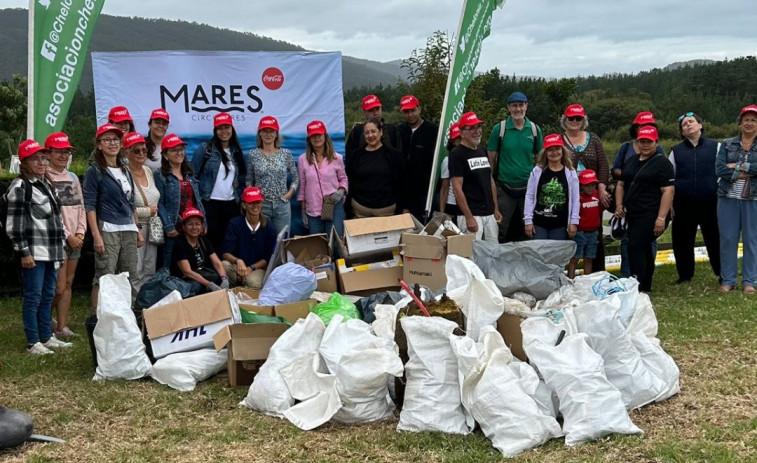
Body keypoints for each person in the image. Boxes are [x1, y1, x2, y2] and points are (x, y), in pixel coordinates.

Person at [6, 140, 70, 354]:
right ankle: (33, 342)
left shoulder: (47, 183)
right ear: (24, 162)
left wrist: (60, 249)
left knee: (48, 295)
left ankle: (46, 336)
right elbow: (14, 225)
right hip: (34, 252)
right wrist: (24, 252)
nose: (41, 162)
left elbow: (56, 221)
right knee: (33, 297)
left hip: (52, 252)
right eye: (35, 158)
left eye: (43, 157)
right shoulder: (20, 186)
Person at [82, 124, 143, 312]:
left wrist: (138, 230)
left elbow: (131, 203)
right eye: (107, 140)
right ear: (99, 145)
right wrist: (96, 235)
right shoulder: (94, 171)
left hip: (129, 229)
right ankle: (97, 316)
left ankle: (128, 315)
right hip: (107, 228)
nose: (112, 143)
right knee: (104, 274)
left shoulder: (126, 170)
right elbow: (90, 205)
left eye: (115, 139)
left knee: (130, 274)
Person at [615, 126, 675, 293]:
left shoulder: (663, 163)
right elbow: (621, 183)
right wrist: (619, 204)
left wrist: (661, 218)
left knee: (634, 246)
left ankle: (637, 285)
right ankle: (645, 286)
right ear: (637, 142)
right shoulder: (631, 161)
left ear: (656, 142)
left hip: (652, 213)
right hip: (633, 212)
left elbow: (668, 191)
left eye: (649, 141)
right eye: (642, 141)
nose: (646, 145)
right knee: (645, 247)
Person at [669, 112, 721, 285]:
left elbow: (722, 173)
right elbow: (670, 178)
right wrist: (671, 202)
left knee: (715, 239)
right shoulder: (675, 151)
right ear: (682, 132)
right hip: (684, 203)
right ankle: (685, 275)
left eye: (691, 122)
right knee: (682, 240)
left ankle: (722, 274)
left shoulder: (716, 146)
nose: (688, 125)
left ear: (700, 125)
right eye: (684, 124)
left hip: (711, 202)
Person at [611, 111, 664, 277]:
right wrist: (631, 174)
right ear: (635, 128)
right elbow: (615, 170)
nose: (645, 128)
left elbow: (664, 175)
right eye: (642, 126)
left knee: (649, 239)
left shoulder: (659, 149)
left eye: (649, 126)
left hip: (650, 201)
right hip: (628, 198)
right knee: (627, 237)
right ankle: (627, 275)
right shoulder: (625, 147)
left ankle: (646, 276)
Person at [44, 132, 86, 339]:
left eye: (66, 152)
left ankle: (62, 326)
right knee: (58, 287)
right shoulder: (45, 177)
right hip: (57, 240)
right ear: (49, 153)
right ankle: (42, 320)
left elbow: (81, 207)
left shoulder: (73, 177)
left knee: (68, 284)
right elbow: (51, 213)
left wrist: (80, 232)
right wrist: (68, 235)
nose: (63, 156)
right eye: (59, 151)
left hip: (75, 240)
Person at [487, 91, 544, 243]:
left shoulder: (534, 129)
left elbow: (541, 159)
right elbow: (491, 160)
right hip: (505, 188)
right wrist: (490, 185)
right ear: (508, 108)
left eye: (521, 105)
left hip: (527, 188)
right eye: (514, 106)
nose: (518, 109)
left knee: (529, 228)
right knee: (501, 228)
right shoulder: (499, 129)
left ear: (526, 106)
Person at [561, 103, 610, 271]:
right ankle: (568, 275)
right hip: (569, 193)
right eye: (571, 118)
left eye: (578, 118)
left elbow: (603, 165)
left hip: (592, 191)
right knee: (570, 233)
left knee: (595, 232)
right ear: (564, 120)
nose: (574, 121)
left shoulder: (594, 139)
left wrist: (602, 187)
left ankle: (597, 273)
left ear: (584, 121)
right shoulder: (559, 140)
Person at [191, 112, 247, 252]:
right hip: (210, 203)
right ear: (215, 131)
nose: (224, 131)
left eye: (227, 127)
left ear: (232, 129)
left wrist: (241, 198)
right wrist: (196, 203)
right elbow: (192, 176)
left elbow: (242, 178)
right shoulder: (205, 149)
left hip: (231, 205)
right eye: (220, 128)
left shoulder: (237, 151)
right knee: (212, 241)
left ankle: (228, 270)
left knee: (230, 242)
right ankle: (214, 271)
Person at [716, 104, 757, 294]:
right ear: (740, 123)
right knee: (728, 239)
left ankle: (750, 281)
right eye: (746, 120)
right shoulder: (727, 144)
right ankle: (728, 280)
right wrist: (750, 170)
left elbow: (729, 169)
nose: (749, 123)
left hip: (753, 200)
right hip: (728, 198)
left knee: (752, 240)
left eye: (753, 120)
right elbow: (720, 169)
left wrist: (738, 166)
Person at [449, 111, 502, 242]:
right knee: (472, 256)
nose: (477, 131)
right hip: (472, 215)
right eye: (471, 128)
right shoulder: (457, 154)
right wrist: (469, 217)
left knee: (493, 253)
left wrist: (495, 208)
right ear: (462, 132)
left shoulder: (482, 150)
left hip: (489, 213)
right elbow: (457, 188)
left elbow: (490, 181)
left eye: (478, 127)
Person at [155, 133, 205, 268]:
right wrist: (168, 226)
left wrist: (203, 222)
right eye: (174, 150)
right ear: (165, 155)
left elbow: (197, 200)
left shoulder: (190, 174)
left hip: (191, 226)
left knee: (192, 263)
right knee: (169, 263)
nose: (179, 153)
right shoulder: (160, 175)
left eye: (181, 149)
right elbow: (159, 202)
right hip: (174, 227)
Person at [245, 115, 298, 235]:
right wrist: (253, 200)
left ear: (276, 134)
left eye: (271, 131)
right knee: (261, 238)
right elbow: (249, 180)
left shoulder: (286, 154)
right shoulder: (253, 155)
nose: (268, 134)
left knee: (283, 239)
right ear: (260, 134)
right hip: (261, 205)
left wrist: (289, 194)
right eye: (265, 131)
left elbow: (295, 178)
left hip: (282, 205)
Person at [345, 118, 406, 218]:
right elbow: (349, 180)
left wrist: (404, 206)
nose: (370, 135)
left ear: (381, 132)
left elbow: (403, 183)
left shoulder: (394, 156)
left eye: (373, 131)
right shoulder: (355, 156)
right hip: (360, 211)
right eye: (367, 132)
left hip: (387, 212)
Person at [524, 134, 580, 241]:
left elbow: (575, 198)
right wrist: (528, 221)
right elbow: (530, 196)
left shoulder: (570, 173)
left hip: (560, 224)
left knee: (557, 255)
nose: (554, 153)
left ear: (562, 150)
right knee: (539, 254)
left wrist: (574, 221)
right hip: (539, 223)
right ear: (545, 153)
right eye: (550, 150)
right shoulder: (537, 172)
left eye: (557, 149)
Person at [297, 120, 348, 236]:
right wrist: (303, 210)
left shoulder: (337, 158)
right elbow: (302, 186)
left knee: (335, 242)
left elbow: (343, 179)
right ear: (309, 139)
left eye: (319, 134)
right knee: (318, 244)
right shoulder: (302, 160)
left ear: (325, 136)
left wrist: (341, 191)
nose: (316, 138)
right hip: (313, 209)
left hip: (334, 206)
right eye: (313, 135)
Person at [221, 187, 278, 289]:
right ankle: (234, 287)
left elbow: (270, 257)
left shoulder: (269, 226)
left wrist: (251, 268)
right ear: (244, 205)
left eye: (258, 202)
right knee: (224, 265)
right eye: (251, 202)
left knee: (253, 283)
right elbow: (225, 253)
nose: (255, 206)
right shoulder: (235, 223)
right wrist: (238, 261)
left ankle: (245, 287)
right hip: (238, 267)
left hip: (258, 268)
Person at [125, 132, 161, 293]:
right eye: (136, 151)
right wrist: (147, 211)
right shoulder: (123, 173)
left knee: (149, 268)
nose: (141, 154)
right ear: (127, 152)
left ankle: (146, 302)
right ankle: (134, 305)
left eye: (144, 151)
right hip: (135, 227)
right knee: (136, 270)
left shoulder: (147, 170)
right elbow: (124, 207)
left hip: (152, 228)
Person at [397, 95, 439, 221]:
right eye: (406, 111)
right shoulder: (399, 130)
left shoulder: (432, 130)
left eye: (412, 110)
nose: (410, 114)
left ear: (419, 109)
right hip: (402, 191)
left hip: (424, 192)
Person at [170, 208, 229, 295]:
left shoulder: (203, 240)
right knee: (196, 286)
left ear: (202, 227)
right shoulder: (180, 243)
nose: (194, 227)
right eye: (190, 224)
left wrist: (224, 279)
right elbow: (187, 271)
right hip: (185, 279)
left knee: (219, 279)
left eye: (197, 224)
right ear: (184, 227)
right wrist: (209, 284)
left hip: (201, 275)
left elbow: (217, 263)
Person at [568, 170, 603, 279]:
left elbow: (602, 209)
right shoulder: (578, 197)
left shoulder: (598, 195)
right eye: (587, 185)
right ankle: (571, 281)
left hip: (593, 232)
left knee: (589, 258)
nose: (590, 188)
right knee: (575, 258)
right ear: (581, 185)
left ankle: (586, 281)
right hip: (579, 232)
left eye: (593, 185)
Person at [440, 123, 462, 217]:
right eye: (458, 139)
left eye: (461, 137)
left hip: (471, 204)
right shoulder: (447, 161)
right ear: (452, 141)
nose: (460, 141)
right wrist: (442, 213)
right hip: (453, 205)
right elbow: (445, 188)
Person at [144, 108, 170, 172]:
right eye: (157, 122)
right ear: (150, 125)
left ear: (167, 127)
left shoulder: (172, 146)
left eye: (164, 124)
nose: (160, 126)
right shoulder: (142, 145)